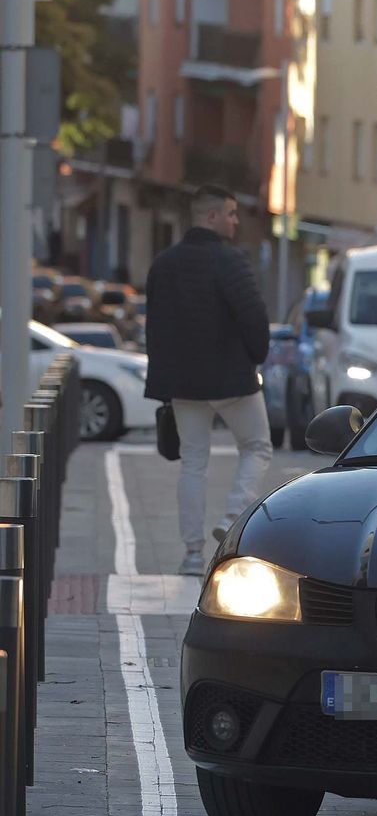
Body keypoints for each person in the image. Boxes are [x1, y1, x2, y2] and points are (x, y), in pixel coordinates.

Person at [144, 184, 273, 576]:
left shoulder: (163, 264)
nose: (236, 221)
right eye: (231, 213)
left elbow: (156, 330)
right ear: (212, 216)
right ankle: (233, 513)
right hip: (233, 380)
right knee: (257, 447)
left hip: (184, 385)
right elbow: (254, 316)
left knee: (193, 463)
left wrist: (165, 383)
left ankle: (192, 554)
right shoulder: (230, 261)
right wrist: (256, 357)